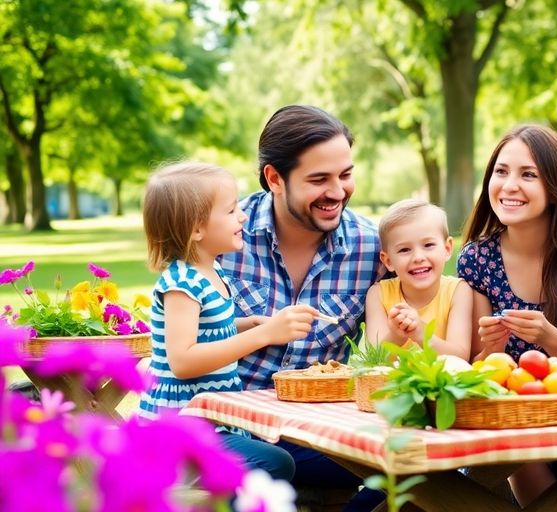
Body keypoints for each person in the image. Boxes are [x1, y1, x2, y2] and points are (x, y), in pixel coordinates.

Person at [218, 105, 385, 504]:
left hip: (315, 435)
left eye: (345, 175)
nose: (337, 191)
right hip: (227, 427)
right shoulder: (220, 235)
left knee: (414, 471)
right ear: (274, 178)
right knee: (263, 466)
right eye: (319, 179)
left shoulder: (372, 247)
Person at [139, 161, 316, 481]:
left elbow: (206, 329)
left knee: (275, 458)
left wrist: (248, 324)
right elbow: (183, 359)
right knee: (275, 462)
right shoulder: (182, 284)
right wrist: (264, 336)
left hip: (209, 420)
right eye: (232, 210)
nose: (243, 217)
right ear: (196, 229)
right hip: (180, 426)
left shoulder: (212, 271)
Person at [456, 124, 557, 506]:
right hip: (515, 429)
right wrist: (489, 350)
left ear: (554, 188)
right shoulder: (477, 259)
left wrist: (549, 338)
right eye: (501, 172)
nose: (509, 185)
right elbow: (479, 372)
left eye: (528, 175)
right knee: (512, 439)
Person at [365, 199, 473, 359]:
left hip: (439, 383)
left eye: (428, 245)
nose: (418, 257)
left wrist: (422, 334)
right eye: (404, 249)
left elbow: (460, 357)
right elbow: (373, 360)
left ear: (447, 248)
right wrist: (396, 335)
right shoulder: (378, 294)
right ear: (388, 261)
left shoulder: (458, 291)